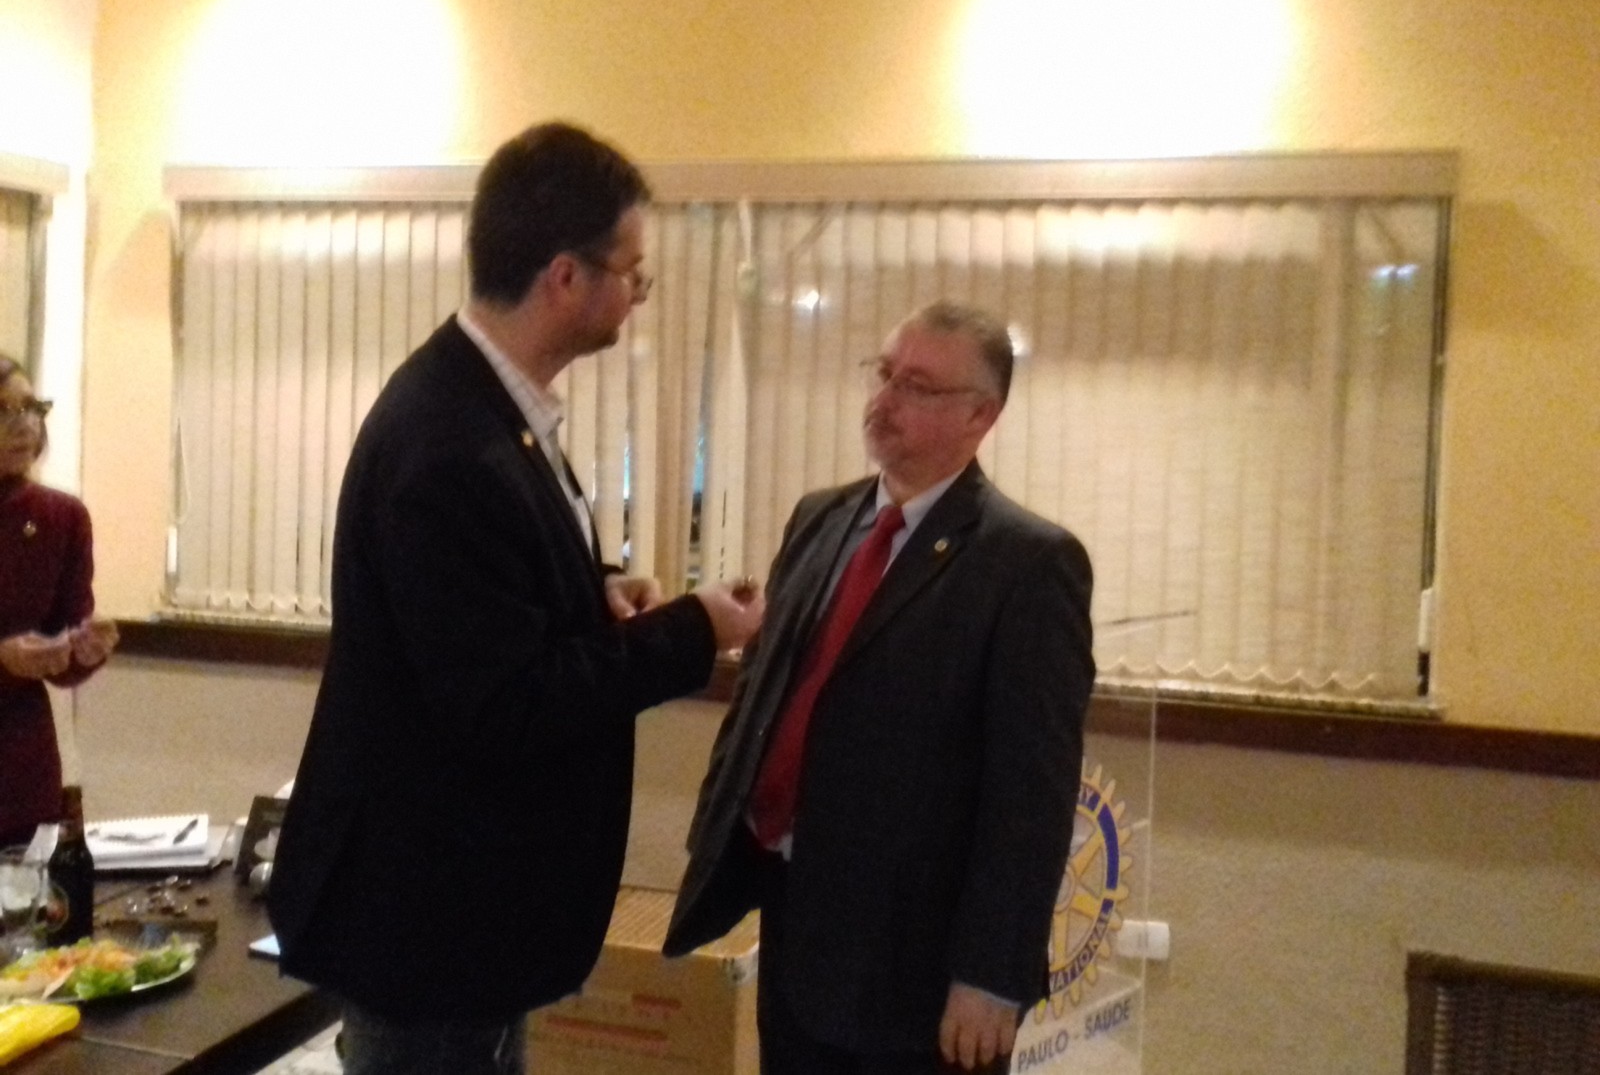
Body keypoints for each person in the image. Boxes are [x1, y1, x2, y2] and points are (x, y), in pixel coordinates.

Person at [267, 122, 765, 1075]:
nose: (640, 294)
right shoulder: (451, 442)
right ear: (565, 277)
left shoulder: (494, 410)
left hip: (470, 908)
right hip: (432, 918)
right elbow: (504, 702)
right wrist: (693, 630)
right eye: (635, 272)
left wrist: (592, 591)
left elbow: (487, 605)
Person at [664, 301, 1096, 1074]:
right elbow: (765, 694)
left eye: (918, 386)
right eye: (884, 372)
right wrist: (718, 839)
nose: (885, 399)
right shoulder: (822, 517)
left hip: (918, 966)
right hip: (797, 920)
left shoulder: (1028, 563)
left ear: (980, 415)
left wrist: (991, 975)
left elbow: (1031, 796)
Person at [0, 354, 119, 849]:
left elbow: (63, 644)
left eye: (32, 407)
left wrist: (82, 650)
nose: (24, 424)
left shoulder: (62, 517)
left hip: (21, 773)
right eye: (3, 410)